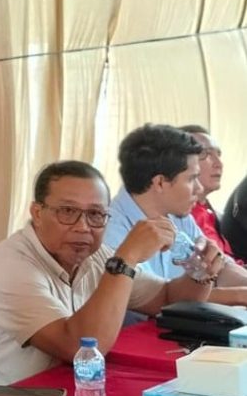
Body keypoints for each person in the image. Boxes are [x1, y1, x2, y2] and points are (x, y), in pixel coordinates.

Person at [0, 161, 217, 396]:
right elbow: (78, 348)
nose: (83, 227)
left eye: (95, 215)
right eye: (67, 211)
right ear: (37, 213)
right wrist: (127, 257)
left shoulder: (94, 255)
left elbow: (168, 300)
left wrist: (201, 272)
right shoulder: (9, 266)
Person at [103, 123, 247, 305]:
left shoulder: (179, 217)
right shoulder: (110, 232)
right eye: (192, 179)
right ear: (160, 183)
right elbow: (158, 298)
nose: (199, 188)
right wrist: (240, 296)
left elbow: (222, 268)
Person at [178, 125, 232, 259]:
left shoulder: (213, 213)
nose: (219, 163)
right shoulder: (179, 218)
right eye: (205, 154)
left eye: (218, 154)